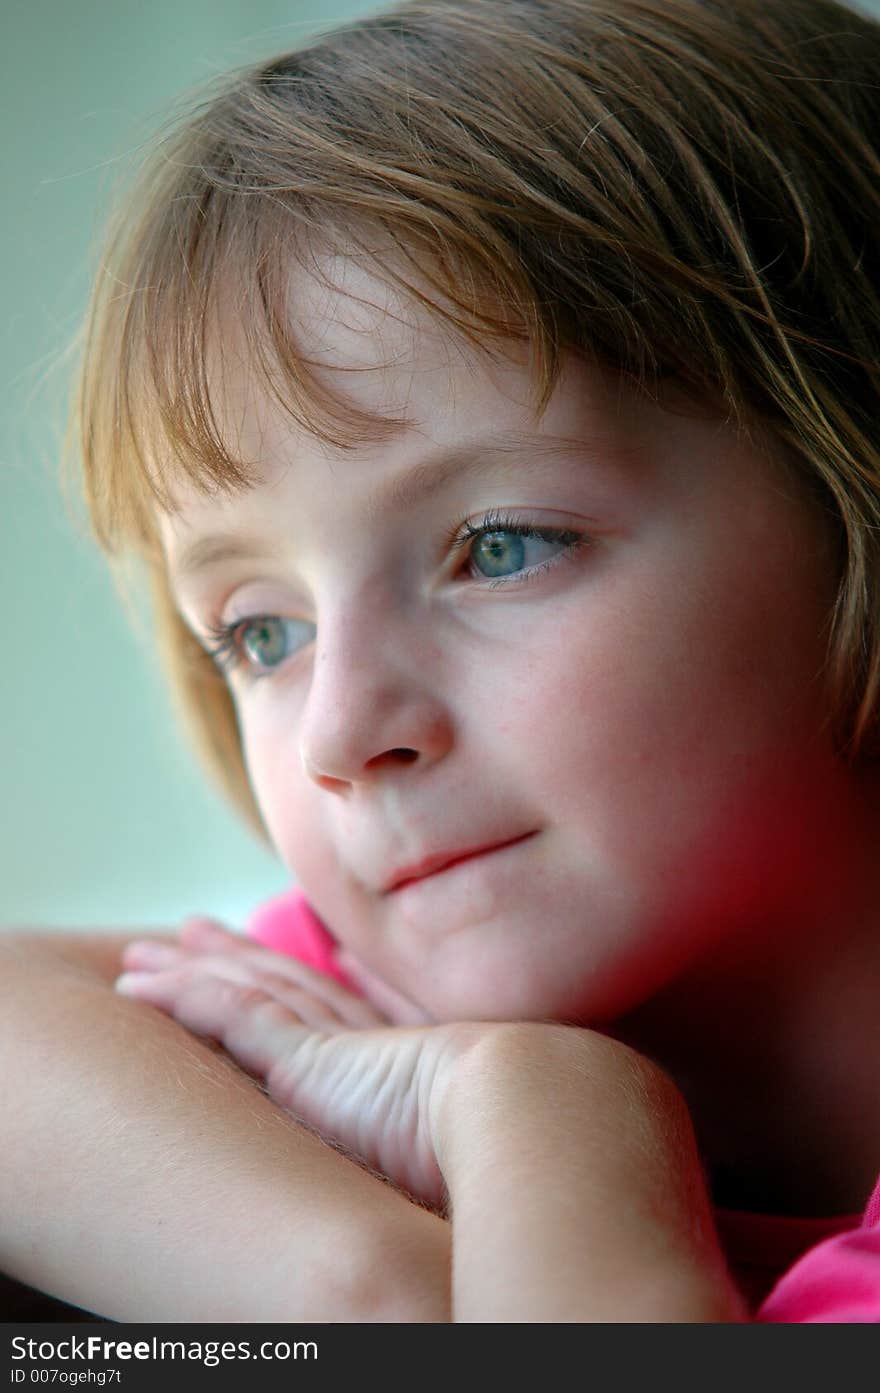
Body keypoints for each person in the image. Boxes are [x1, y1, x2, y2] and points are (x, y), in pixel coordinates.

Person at [3, 0, 880, 1322]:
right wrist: (384, 1287)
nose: (343, 733)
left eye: (503, 546)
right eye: (262, 632)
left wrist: (546, 1120)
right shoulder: (359, 1015)